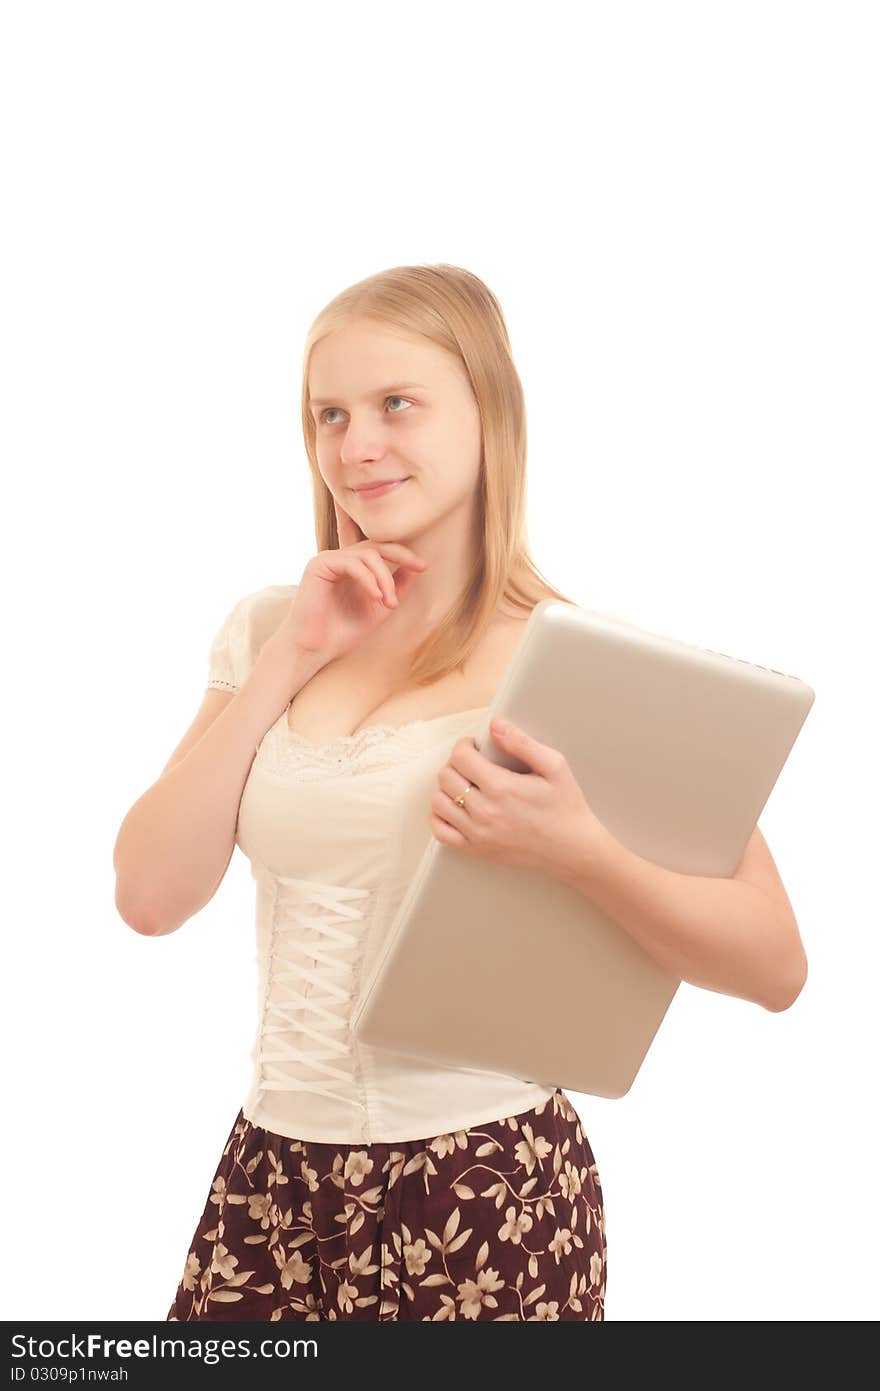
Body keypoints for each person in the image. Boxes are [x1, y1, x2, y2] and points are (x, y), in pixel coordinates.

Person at [114, 263, 611, 1320]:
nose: (355, 446)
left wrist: (577, 846)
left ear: (491, 416)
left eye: (398, 404)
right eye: (328, 413)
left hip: (489, 1187)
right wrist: (290, 658)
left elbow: (773, 960)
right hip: (273, 1170)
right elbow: (149, 895)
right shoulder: (269, 627)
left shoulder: (570, 665)